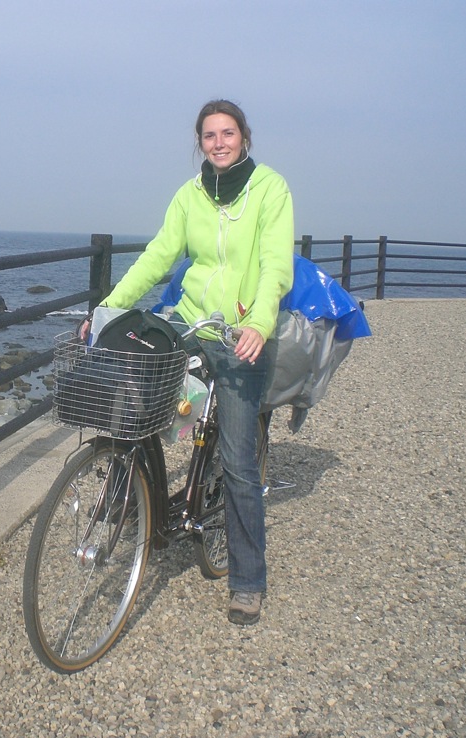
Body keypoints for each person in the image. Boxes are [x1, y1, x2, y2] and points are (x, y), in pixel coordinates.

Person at [94, 99, 294, 625]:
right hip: (190, 319)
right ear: (200, 143)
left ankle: (248, 579)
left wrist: (260, 323)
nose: (220, 142)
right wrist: (112, 306)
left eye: (228, 133)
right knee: (134, 396)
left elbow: (276, 265)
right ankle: (130, 495)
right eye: (210, 135)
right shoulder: (190, 195)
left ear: (244, 138)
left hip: (241, 331)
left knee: (238, 459)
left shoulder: (270, 188)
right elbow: (160, 255)